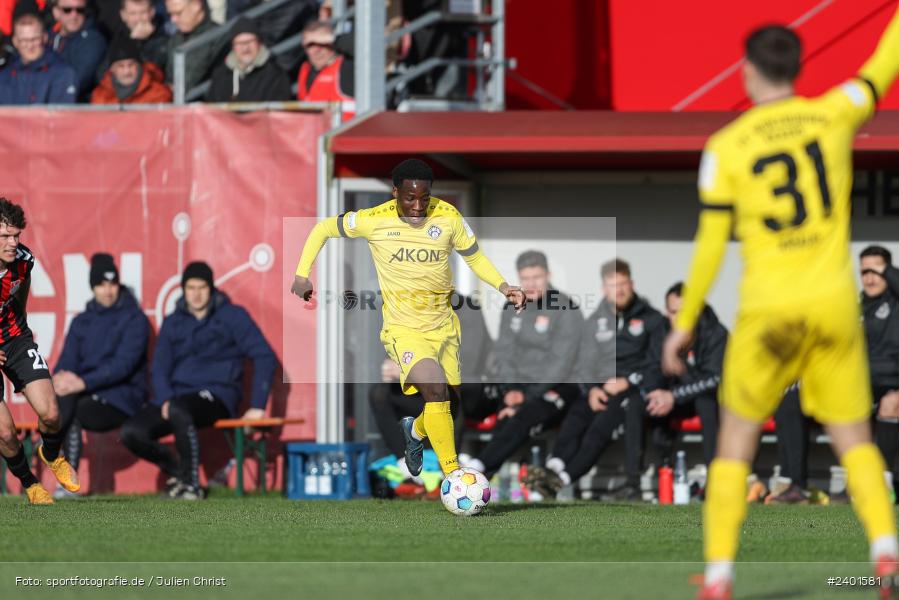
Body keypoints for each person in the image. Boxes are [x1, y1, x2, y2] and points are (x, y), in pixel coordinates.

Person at [660, 13, 899, 599]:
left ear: (746, 72)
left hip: (768, 311)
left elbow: (712, 242)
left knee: (737, 437)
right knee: (855, 439)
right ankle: (885, 552)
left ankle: (718, 575)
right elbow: (880, 66)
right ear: (798, 66)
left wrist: (684, 323)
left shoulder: (726, 147)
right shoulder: (834, 112)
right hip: (833, 307)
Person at [292, 159, 525, 482]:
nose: (418, 207)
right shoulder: (374, 219)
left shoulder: (448, 216)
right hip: (404, 328)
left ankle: (414, 431)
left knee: (448, 407)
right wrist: (302, 274)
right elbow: (323, 228)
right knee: (434, 389)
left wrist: (503, 286)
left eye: (424, 199)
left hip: (444, 326)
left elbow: (474, 257)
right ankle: (454, 476)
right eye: (409, 198)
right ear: (395, 193)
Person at [120, 261, 277, 499]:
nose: (196, 294)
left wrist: (257, 406)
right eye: (190, 287)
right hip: (176, 398)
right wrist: (165, 399)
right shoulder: (174, 321)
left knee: (179, 409)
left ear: (211, 288)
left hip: (217, 395)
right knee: (131, 432)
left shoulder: (233, 316)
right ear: (183, 289)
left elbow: (264, 356)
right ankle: (179, 472)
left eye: (202, 287)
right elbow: (160, 367)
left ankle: (191, 486)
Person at [525, 259, 665, 501]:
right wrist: (592, 390)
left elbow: (658, 363)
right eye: (612, 285)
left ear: (631, 284)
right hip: (601, 391)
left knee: (599, 428)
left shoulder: (652, 319)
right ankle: (554, 466)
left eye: (622, 284)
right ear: (603, 288)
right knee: (576, 415)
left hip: (634, 392)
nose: (618, 290)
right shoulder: (594, 321)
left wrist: (629, 381)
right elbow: (585, 364)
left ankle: (562, 480)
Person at [464, 250, 582, 478]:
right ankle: (478, 481)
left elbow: (561, 364)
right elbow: (504, 354)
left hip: (557, 388)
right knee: (508, 418)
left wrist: (525, 397)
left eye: (536, 277)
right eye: (525, 279)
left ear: (548, 275)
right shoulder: (511, 308)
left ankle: (477, 468)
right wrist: (510, 390)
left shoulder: (565, 308)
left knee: (523, 414)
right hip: (517, 390)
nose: (531, 284)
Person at [0, 198, 79, 504]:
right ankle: (32, 485)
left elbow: (21, 293)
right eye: (5, 236)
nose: (13, 242)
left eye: (16, 235)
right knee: (6, 433)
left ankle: (52, 454)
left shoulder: (23, 260)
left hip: (14, 338)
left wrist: (19, 331)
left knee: (50, 412)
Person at [368, 292, 495, 481]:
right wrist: (390, 368)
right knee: (379, 393)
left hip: (462, 389)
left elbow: (469, 360)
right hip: (423, 389)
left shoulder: (467, 307)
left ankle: (448, 471)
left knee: (448, 392)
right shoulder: (406, 306)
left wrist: (408, 369)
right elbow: (392, 350)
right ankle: (407, 465)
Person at [52, 253, 150, 496]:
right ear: (92, 287)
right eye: (101, 285)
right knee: (61, 398)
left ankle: (64, 477)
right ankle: (65, 480)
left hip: (122, 398)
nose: (107, 291)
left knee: (69, 408)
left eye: (112, 284)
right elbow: (66, 363)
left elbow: (123, 366)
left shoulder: (135, 319)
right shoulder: (81, 322)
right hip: (84, 396)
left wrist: (82, 383)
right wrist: (60, 380)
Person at [642, 282, 726, 472]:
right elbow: (650, 367)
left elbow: (714, 379)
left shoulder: (716, 333)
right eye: (673, 312)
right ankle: (657, 473)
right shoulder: (661, 332)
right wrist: (654, 391)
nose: (679, 318)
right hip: (676, 399)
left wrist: (674, 395)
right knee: (640, 403)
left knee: (707, 403)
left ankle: (715, 476)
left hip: (711, 400)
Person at [859, 245, 899, 491]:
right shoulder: (858, 305)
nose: (870, 278)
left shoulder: (895, 301)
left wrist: (887, 270)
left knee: (891, 403)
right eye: (864, 272)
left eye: (876, 271)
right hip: (864, 382)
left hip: (894, 382)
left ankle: (882, 483)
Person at [206, 16, 291, 103]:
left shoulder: (275, 75)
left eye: (250, 41)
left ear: (259, 43)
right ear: (233, 46)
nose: (245, 48)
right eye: (240, 43)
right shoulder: (220, 76)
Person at [0, 13, 76, 104]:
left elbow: (61, 114)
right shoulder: (5, 76)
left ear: (44, 38)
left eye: (35, 39)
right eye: (24, 40)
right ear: (15, 42)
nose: (30, 45)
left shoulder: (63, 73)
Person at [49, 0, 108, 101]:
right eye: (67, 10)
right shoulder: (47, 38)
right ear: (56, 12)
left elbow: (78, 80)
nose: (74, 15)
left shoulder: (93, 40)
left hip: (77, 106)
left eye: (80, 10)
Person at [296, 20, 354, 119]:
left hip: (345, 133)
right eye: (311, 45)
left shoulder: (347, 67)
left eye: (323, 44)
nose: (317, 50)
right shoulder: (305, 70)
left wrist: (332, 38)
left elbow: (368, 48)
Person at [91, 34, 171, 104]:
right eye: (120, 66)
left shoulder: (158, 94)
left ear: (139, 66)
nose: (127, 72)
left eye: (131, 65)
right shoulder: (100, 96)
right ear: (112, 69)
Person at [163, 0, 217, 94]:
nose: (173, 19)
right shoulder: (175, 39)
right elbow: (169, 77)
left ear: (196, 5)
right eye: (171, 14)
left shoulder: (219, 37)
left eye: (178, 13)